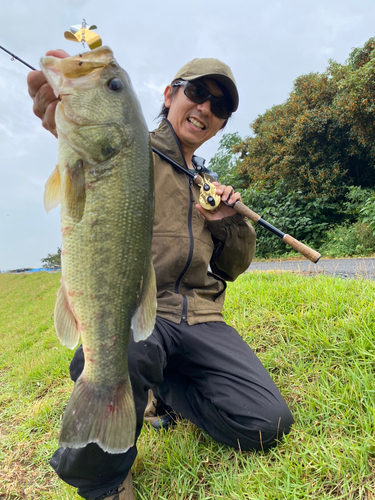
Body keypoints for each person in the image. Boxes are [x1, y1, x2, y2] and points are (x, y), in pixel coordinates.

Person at [28, 52, 294, 500]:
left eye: (220, 106)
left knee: (266, 423)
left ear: (222, 124)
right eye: (197, 92)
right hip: (140, 314)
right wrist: (68, 114)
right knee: (117, 355)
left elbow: (232, 266)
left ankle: (164, 387)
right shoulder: (131, 146)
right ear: (170, 95)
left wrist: (226, 221)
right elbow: (93, 144)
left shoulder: (208, 184)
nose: (206, 107)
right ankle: (102, 481)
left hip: (202, 318)